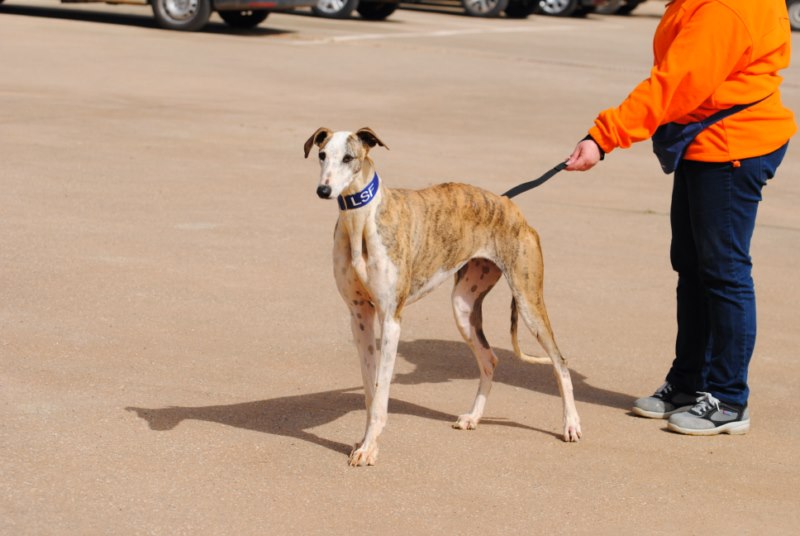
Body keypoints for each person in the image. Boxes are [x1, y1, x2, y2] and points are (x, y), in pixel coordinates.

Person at [565, 0, 796, 435]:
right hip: (704, 138)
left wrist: (603, 137)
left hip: (732, 145)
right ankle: (689, 383)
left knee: (724, 272)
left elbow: (674, 83)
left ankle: (728, 399)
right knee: (692, 267)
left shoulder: (725, 9)